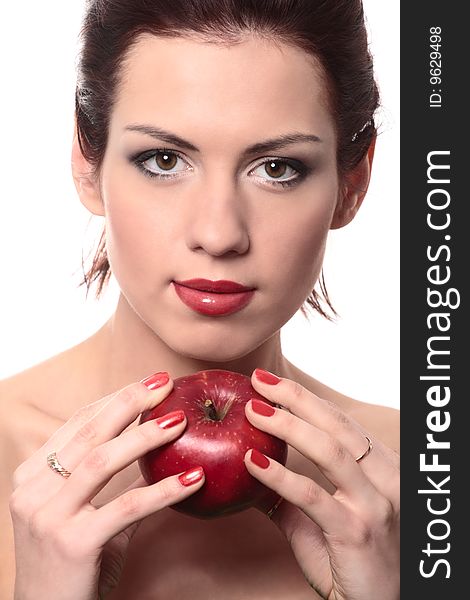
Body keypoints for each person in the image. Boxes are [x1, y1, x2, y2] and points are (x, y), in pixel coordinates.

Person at [0, 0, 400, 598]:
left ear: (353, 184)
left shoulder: (420, 483)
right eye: (163, 161)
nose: (218, 234)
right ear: (88, 162)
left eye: (278, 168)